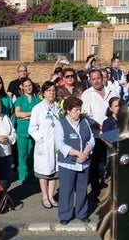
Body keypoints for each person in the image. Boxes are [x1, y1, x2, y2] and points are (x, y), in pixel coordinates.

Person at [55, 96, 94, 225]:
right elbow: (60, 144)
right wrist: (78, 153)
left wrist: (86, 151)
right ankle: (65, 215)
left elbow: (91, 139)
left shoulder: (85, 122)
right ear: (67, 110)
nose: (78, 112)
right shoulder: (61, 123)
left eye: (79, 110)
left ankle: (81, 213)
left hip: (84, 161)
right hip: (68, 162)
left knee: (82, 188)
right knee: (67, 189)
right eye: (75, 110)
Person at [29, 81, 61, 210]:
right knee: (44, 172)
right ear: (43, 93)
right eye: (48, 91)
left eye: (53, 90)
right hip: (44, 145)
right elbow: (32, 128)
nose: (51, 93)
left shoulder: (58, 107)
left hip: (56, 145)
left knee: (54, 172)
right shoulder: (37, 108)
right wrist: (41, 140)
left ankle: (51, 195)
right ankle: (44, 196)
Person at [12, 77, 40, 185]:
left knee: (33, 154)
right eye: (26, 86)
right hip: (22, 131)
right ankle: (23, 176)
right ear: (22, 87)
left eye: (30, 85)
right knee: (22, 154)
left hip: (34, 132)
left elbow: (39, 114)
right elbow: (18, 114)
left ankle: (32, 175)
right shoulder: (20, 100)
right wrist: (32, 114)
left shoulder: (37, 100)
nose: (28, 87)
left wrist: (26, 115)